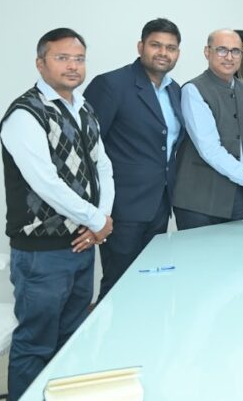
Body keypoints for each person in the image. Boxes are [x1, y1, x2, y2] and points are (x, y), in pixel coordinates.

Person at [0, 28, 114, 401]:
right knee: (35, 344)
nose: (73, 66)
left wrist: (101, 219)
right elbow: (45, 183)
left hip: (82, 245)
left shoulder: (83, 108)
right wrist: (97, 221)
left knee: (72, 341)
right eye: (62, 58)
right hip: (42, 255)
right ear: (40, 63)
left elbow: (103, 167)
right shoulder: (24, 114)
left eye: (79, 59)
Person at [84, 18, 183, 300]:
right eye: (156, 45)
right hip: (122, 208)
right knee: (118, 284)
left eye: (171, 48)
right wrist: (94, 210)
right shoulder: (111, 84)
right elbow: (87, 148)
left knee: (148, 284)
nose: (163, 53)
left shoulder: (175, 90)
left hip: (160, 205)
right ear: (141, 47)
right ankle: (107, 330)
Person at [173, 29, 243, 228]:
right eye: (222, 50)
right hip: (198, 202)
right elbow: (210, 150)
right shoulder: (193, 90)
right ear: (207, 52)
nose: (229, 57)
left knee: (237, 249)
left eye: (235, 51)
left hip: (236, 199)